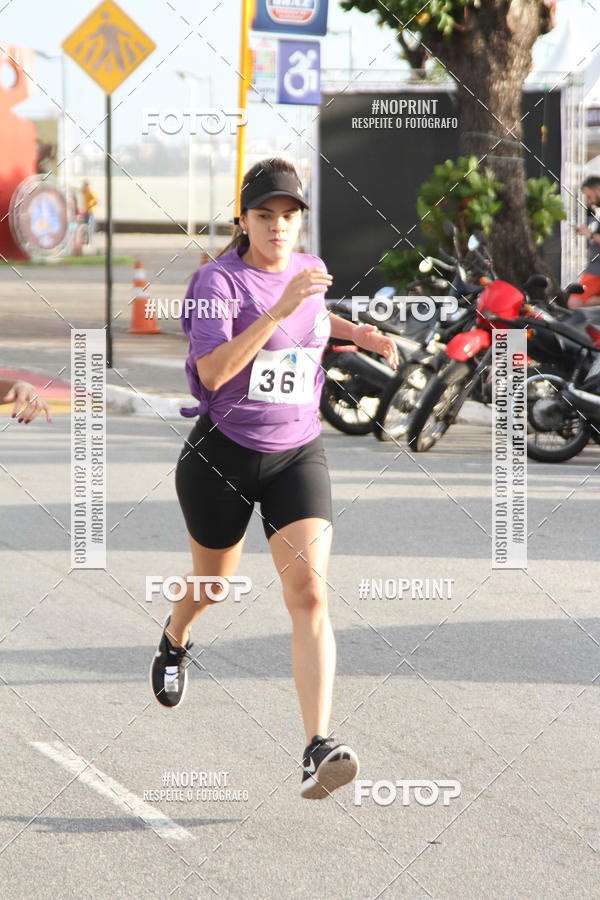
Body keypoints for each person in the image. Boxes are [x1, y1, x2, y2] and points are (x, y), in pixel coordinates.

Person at [150, 157, 399, 800]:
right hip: (223, 456)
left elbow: (310, 320)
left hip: (297, 454)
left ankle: (318, 744)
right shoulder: (216, 282)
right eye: (265, 216)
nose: (279, 227)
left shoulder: (308, 273)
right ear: (244, 219)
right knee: (210, 584)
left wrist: (358, 333)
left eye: (289, 216)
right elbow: (213, 372)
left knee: (310, 597)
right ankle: (176, 637)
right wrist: (277, 307)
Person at [568, 175, 600, 309]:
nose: (589, 201)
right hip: (594, 270)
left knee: (574, 303)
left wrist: (590, 235)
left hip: (596, 271)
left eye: (589, 196)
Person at [80, 180, 98, 244]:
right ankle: (86, 239)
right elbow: (79, 190)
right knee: (85, 225)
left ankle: (91, 239)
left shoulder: (90, 192)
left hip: (90, 211)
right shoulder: (84, 192)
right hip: (86, 211)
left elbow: (96, 200)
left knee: (90, 225)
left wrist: (90, 205)